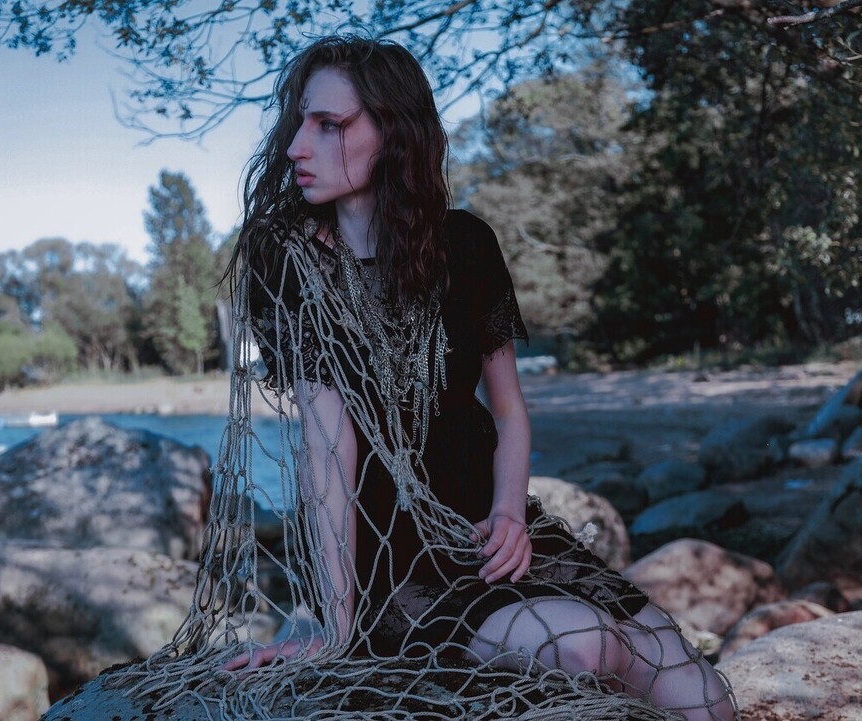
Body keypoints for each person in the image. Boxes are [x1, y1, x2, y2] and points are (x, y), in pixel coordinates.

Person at [221, 34, 738, 721]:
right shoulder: (289, 260)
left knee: (707, 704)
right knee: (581, 644)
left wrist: (509, 513)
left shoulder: (465, 243)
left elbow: (509, 410)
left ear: (394, 130)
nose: (295, 146)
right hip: (390, 558)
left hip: (487, 530)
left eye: (329, 124)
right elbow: (325, 449)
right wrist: (336, 629)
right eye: (300, 122)